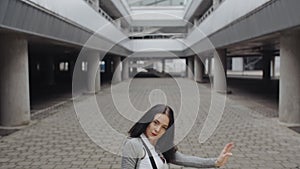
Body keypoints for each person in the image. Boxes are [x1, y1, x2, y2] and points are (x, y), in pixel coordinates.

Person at [121, 104, 234, 169]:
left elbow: (185, 159)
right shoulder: (134, 145)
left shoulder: (159, 146)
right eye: (155, 122)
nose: (157, 130)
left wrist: (216, 162)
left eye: (164, 127)